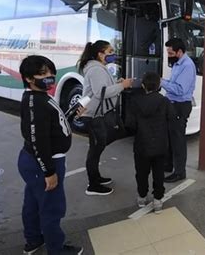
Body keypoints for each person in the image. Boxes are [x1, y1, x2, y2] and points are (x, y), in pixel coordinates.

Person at [18, 55, 83, 255]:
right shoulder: (35, 102)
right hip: (43, 164)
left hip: (36, 163)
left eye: (51, 72)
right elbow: (38, 139)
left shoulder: (41, 97)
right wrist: (49, 172)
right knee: (51, 209)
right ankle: (56, 249)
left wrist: (71, 115)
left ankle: (34, 240)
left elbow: (54, 124)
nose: (50, 76)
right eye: (43, 73)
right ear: (29, 78)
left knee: (33, 202)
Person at [78, 40, 133, 195]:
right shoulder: (96, 69)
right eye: (110, 52)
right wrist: (123, 85)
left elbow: (103, 88)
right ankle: (93, 185)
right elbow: (101, 92)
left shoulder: (98, 68)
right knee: (95, 149)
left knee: (98, 146)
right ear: (100, 54)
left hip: (96, 113)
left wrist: (117, 83)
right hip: (94, 115)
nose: (113, 54)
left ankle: (96, 178)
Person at [127, 72, 174, 214]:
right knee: (159, 173)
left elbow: (130, 125)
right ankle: (158, 201)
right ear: (159, 86)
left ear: (143, 85)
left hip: (142, 145)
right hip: (160, 145)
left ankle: (142, 197)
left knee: (141, 173)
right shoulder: (164, 101)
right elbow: (172, 118)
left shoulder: (135, 101)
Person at [160, 38, 196, 183]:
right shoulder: (177, 63)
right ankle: (168, 165)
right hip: (172, 104)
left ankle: (180, 172)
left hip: (180, 106)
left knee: (178, 140)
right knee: (168, 136)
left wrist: (161, 82)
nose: (169, 55)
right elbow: (173, 83)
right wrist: (163, 81)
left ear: (179, 52)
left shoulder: (187, 66)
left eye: (170, 52)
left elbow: (180, 90)